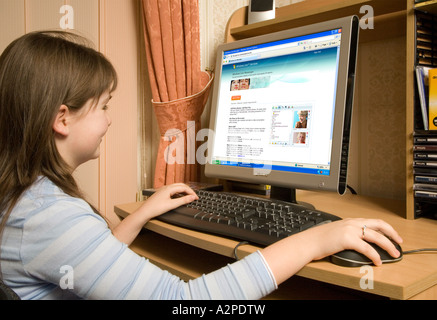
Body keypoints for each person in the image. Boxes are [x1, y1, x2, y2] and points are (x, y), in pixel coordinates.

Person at [0, 31, 403, 300]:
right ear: (63, 118)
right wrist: (318, 239)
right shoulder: (49, 214)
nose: (109, 120)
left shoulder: (28, 201)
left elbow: (88, 261)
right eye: (104, 107)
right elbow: (184, 302)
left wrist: (142, 215)